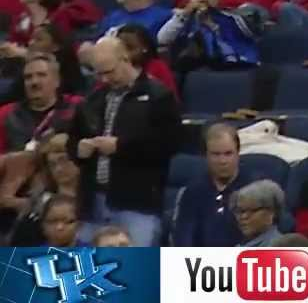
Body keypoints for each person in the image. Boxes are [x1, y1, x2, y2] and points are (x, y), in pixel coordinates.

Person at [69, 37, 181, 246]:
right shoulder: (93, 99)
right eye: (99, 73)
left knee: (134, 269)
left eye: (109, 71)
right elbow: (73, 139)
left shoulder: (158, 96)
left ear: (125, 59)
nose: (104, 79)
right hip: (94, 201)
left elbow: (169, 144)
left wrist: (120, 147)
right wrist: (78, 150)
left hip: (137, 203)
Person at [173, 123, 256, 247]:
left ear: (238, 153)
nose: (222, 161)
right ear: (205, 156)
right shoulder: (193, 191)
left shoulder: (256, 188)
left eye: (228, 154)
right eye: (216, 154)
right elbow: (183, 238)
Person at [231, 179, 286, 246]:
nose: (243, 216)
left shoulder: (279, 247)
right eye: (240, 211)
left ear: (271, 212)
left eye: (252, 210)